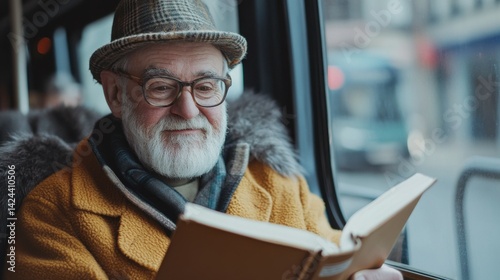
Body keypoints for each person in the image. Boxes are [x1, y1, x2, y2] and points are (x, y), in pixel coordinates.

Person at [4, 0, 402, 279]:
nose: (189, 109)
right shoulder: (51, 213)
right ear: (115, 95)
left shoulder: (279, 183)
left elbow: (333, 252)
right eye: (161, 87)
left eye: (207, 86)